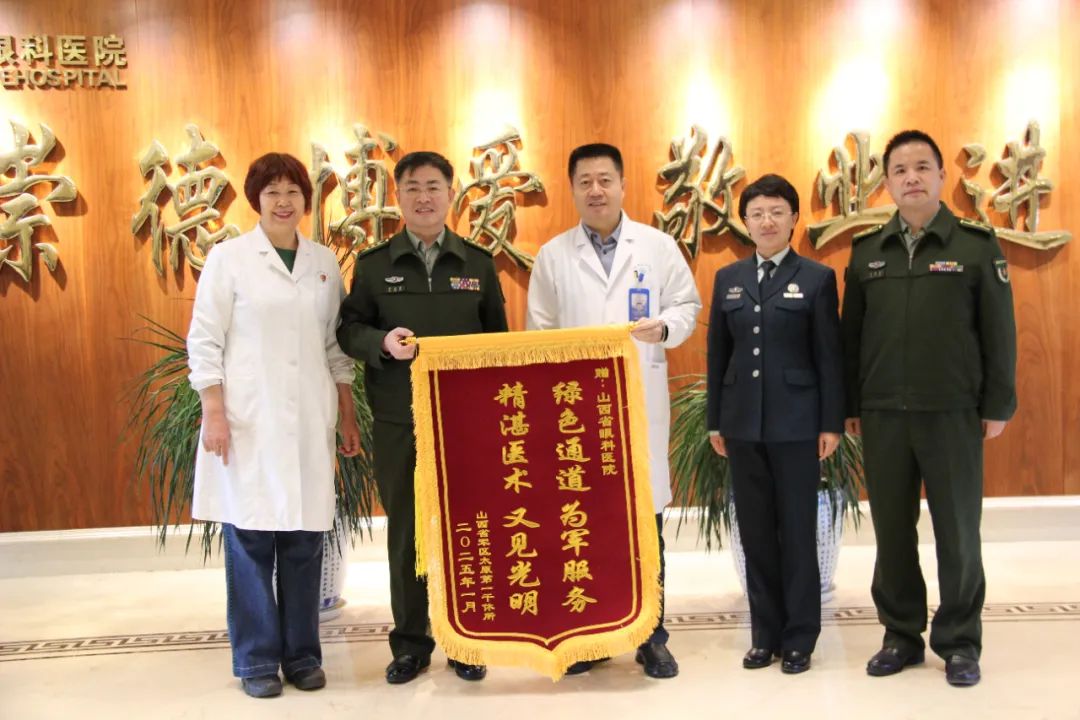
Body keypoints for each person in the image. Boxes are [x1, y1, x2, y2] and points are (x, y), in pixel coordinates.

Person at [841, 129, 1017, 687]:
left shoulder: (975, 246)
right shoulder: (867, 252)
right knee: (892, 531)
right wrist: (850, 404)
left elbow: (999, 332)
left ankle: (959, 641)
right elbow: (851, 338)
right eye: (899, 169)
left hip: (952, 412)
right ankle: (900, 634)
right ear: (887, 183)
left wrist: (998, 403)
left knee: (958, 531)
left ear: (942, 176)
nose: (911, 177)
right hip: (883, 414)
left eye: (922, 167)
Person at [187, 152, 362, 698]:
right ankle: (257, 661)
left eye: (292, 192)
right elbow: (205, 339)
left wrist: (347, 412)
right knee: (251, 540)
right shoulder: (229, 259)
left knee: (305, 541)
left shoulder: (323, 264)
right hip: (248, 422)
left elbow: (335, 345)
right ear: (256, 200)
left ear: (305, 200)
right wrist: (214, 412)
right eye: (272, 193)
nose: (283, 202)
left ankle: (303, 656)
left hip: (309, 420)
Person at [526, 142, 701, 679]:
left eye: (605, 179)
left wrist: (665, 328)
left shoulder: (657, 246)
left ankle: (652, 637)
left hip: (638, 404)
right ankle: (594, 637)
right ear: (573, 190)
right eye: (585, 182)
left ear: (623, 185)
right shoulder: (553, 255)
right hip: (576, 414)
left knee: (645, 526)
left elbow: (687, 304)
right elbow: (539, 332)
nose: (596, 190)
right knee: (587, 526)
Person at [336, 151, 508, 684]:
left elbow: (499, 344)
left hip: (465, 422)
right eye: (412, 187)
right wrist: (381, 343)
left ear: (451, 194)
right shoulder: (373, 265)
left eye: (433, 186)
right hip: (399, 419)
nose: (424, 197)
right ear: (398, 196)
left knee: (467, 528)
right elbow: (348, 331)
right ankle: (411, 644)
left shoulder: (477, 264)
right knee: (407, 531)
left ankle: (466, 639)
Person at [705, 174, 844, 674]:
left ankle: (800, 636)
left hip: (798, 425)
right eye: (757, 213)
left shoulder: (817, 278)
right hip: (742, 425)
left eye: (776, 212)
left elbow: (829, 357)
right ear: (745, 222)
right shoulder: (729, 278)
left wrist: (831, 423)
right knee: (756, 532)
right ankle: (764, 634)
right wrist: (715, 422)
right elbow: (718, 354)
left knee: (798, 531)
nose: (767, 221)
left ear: (793, 219)